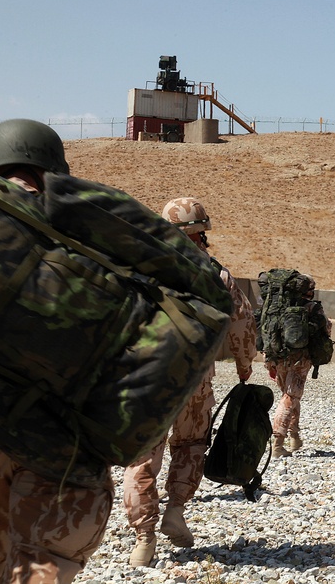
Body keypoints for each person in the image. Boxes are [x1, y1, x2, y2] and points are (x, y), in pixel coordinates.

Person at [0, 119, 113, 583]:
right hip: (58, 424)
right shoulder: (81, 223)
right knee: (41, 561)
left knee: (1, 552)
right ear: (54, 167)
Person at [123, 197, 257, 567]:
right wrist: (245, 368)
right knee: (192, 444)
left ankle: (144, 538)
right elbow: (243, 327)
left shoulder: (141, 269)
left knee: (141, 457)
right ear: (201, 232)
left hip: (147, 379)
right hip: (195, 380)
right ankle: (176, 510)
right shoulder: (218, 275)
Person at [266, 274, 331, 459]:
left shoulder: (277, 307)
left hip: (278, 357)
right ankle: (278, 443)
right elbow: (326, 329)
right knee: (290, 396)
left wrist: (269, 360)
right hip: (300, 359)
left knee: (289, 396)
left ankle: (294, 436)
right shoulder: (312, 308)